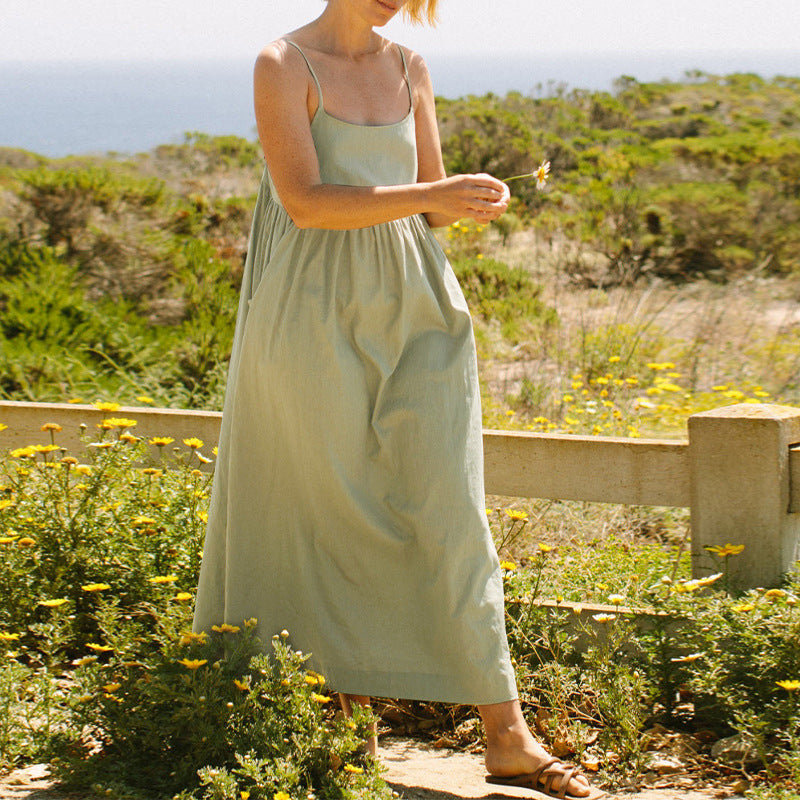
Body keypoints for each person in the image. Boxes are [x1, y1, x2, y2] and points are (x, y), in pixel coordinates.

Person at [193, 1, 602, 797]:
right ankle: (346, 725)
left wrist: (465, 198)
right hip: (310, 307)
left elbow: (430, 203)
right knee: (328, 508)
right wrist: (429, 195)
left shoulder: (410, 66)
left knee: (451, 509)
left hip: (417, 305)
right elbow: (306, 202)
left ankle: (507, 736)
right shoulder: (282, 64)